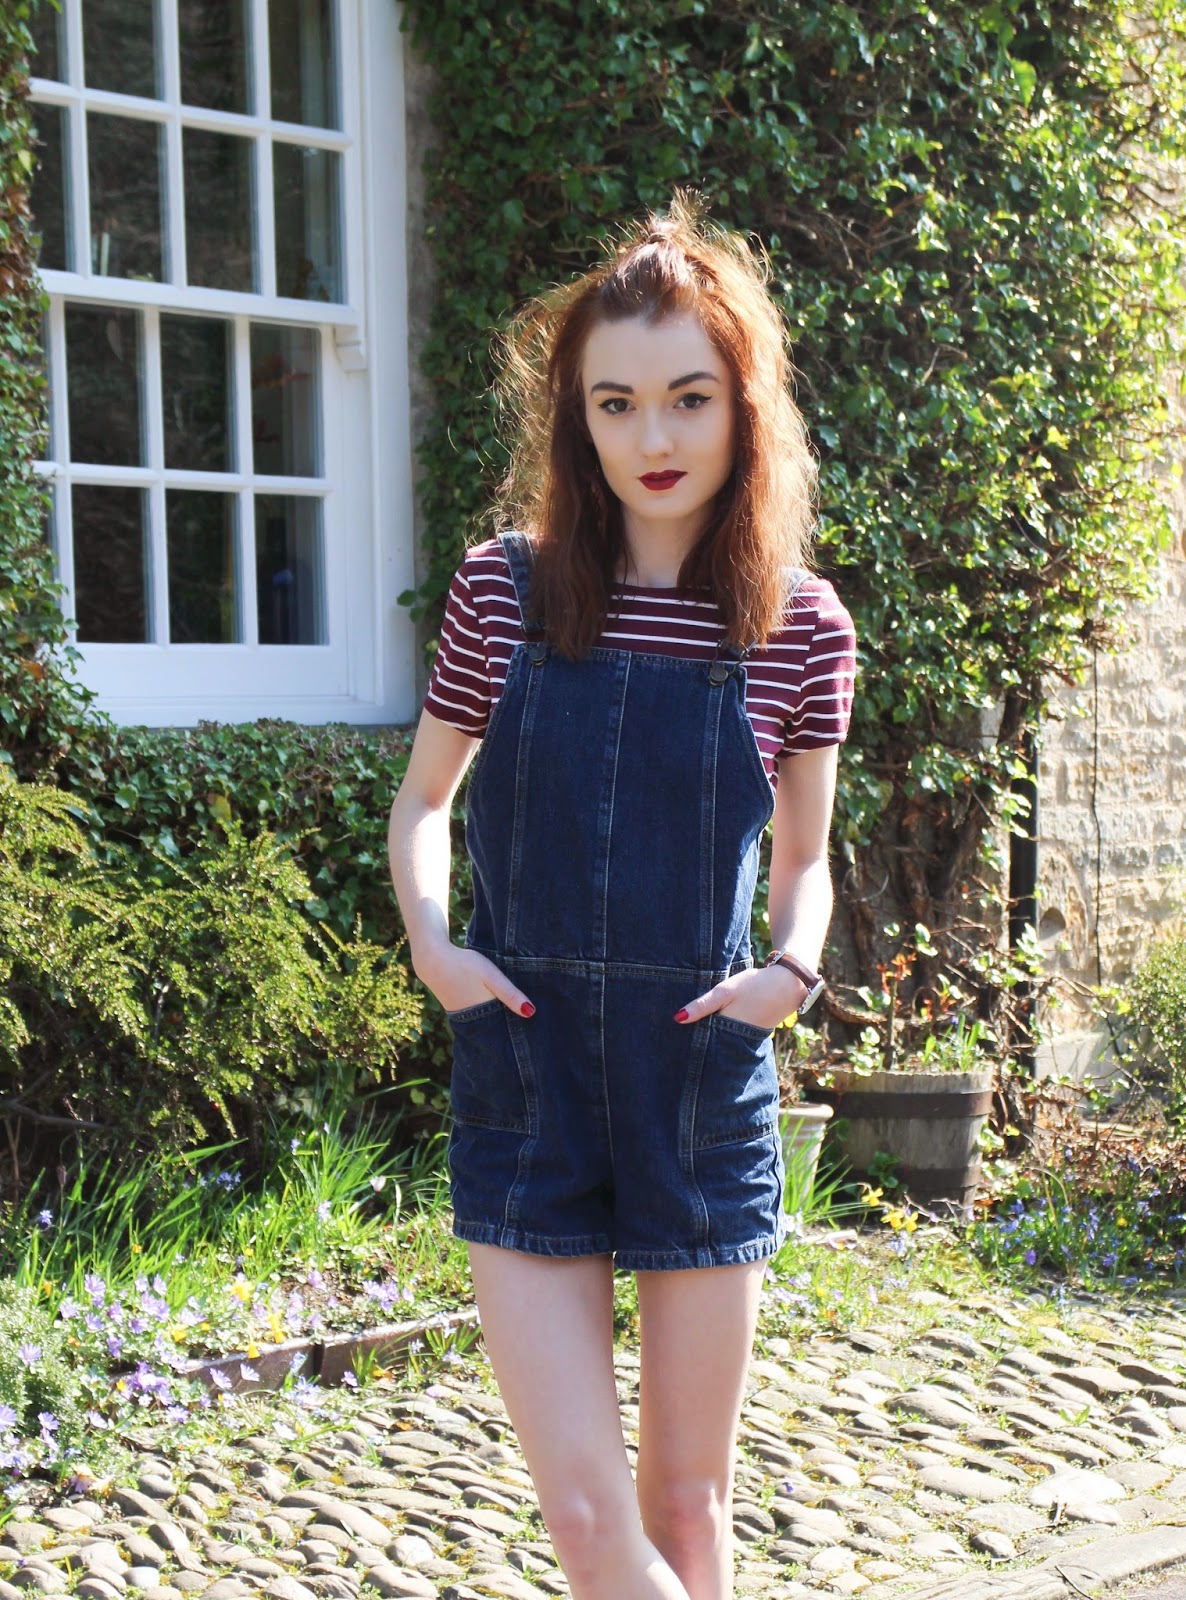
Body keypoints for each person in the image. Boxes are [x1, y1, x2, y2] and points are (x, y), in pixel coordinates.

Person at [388, 195, 857, 1600]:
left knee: (689, 1511)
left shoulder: (799, 624)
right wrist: (437, 950)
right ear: (576, 419)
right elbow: (425, 803)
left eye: (688, 398)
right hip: (525, 1071)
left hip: (701, 1078)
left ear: (743, 405)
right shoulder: (503, 594)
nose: (654, 437)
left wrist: (791, 973)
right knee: (594, 1524)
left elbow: (807, 859)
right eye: (616, 403)